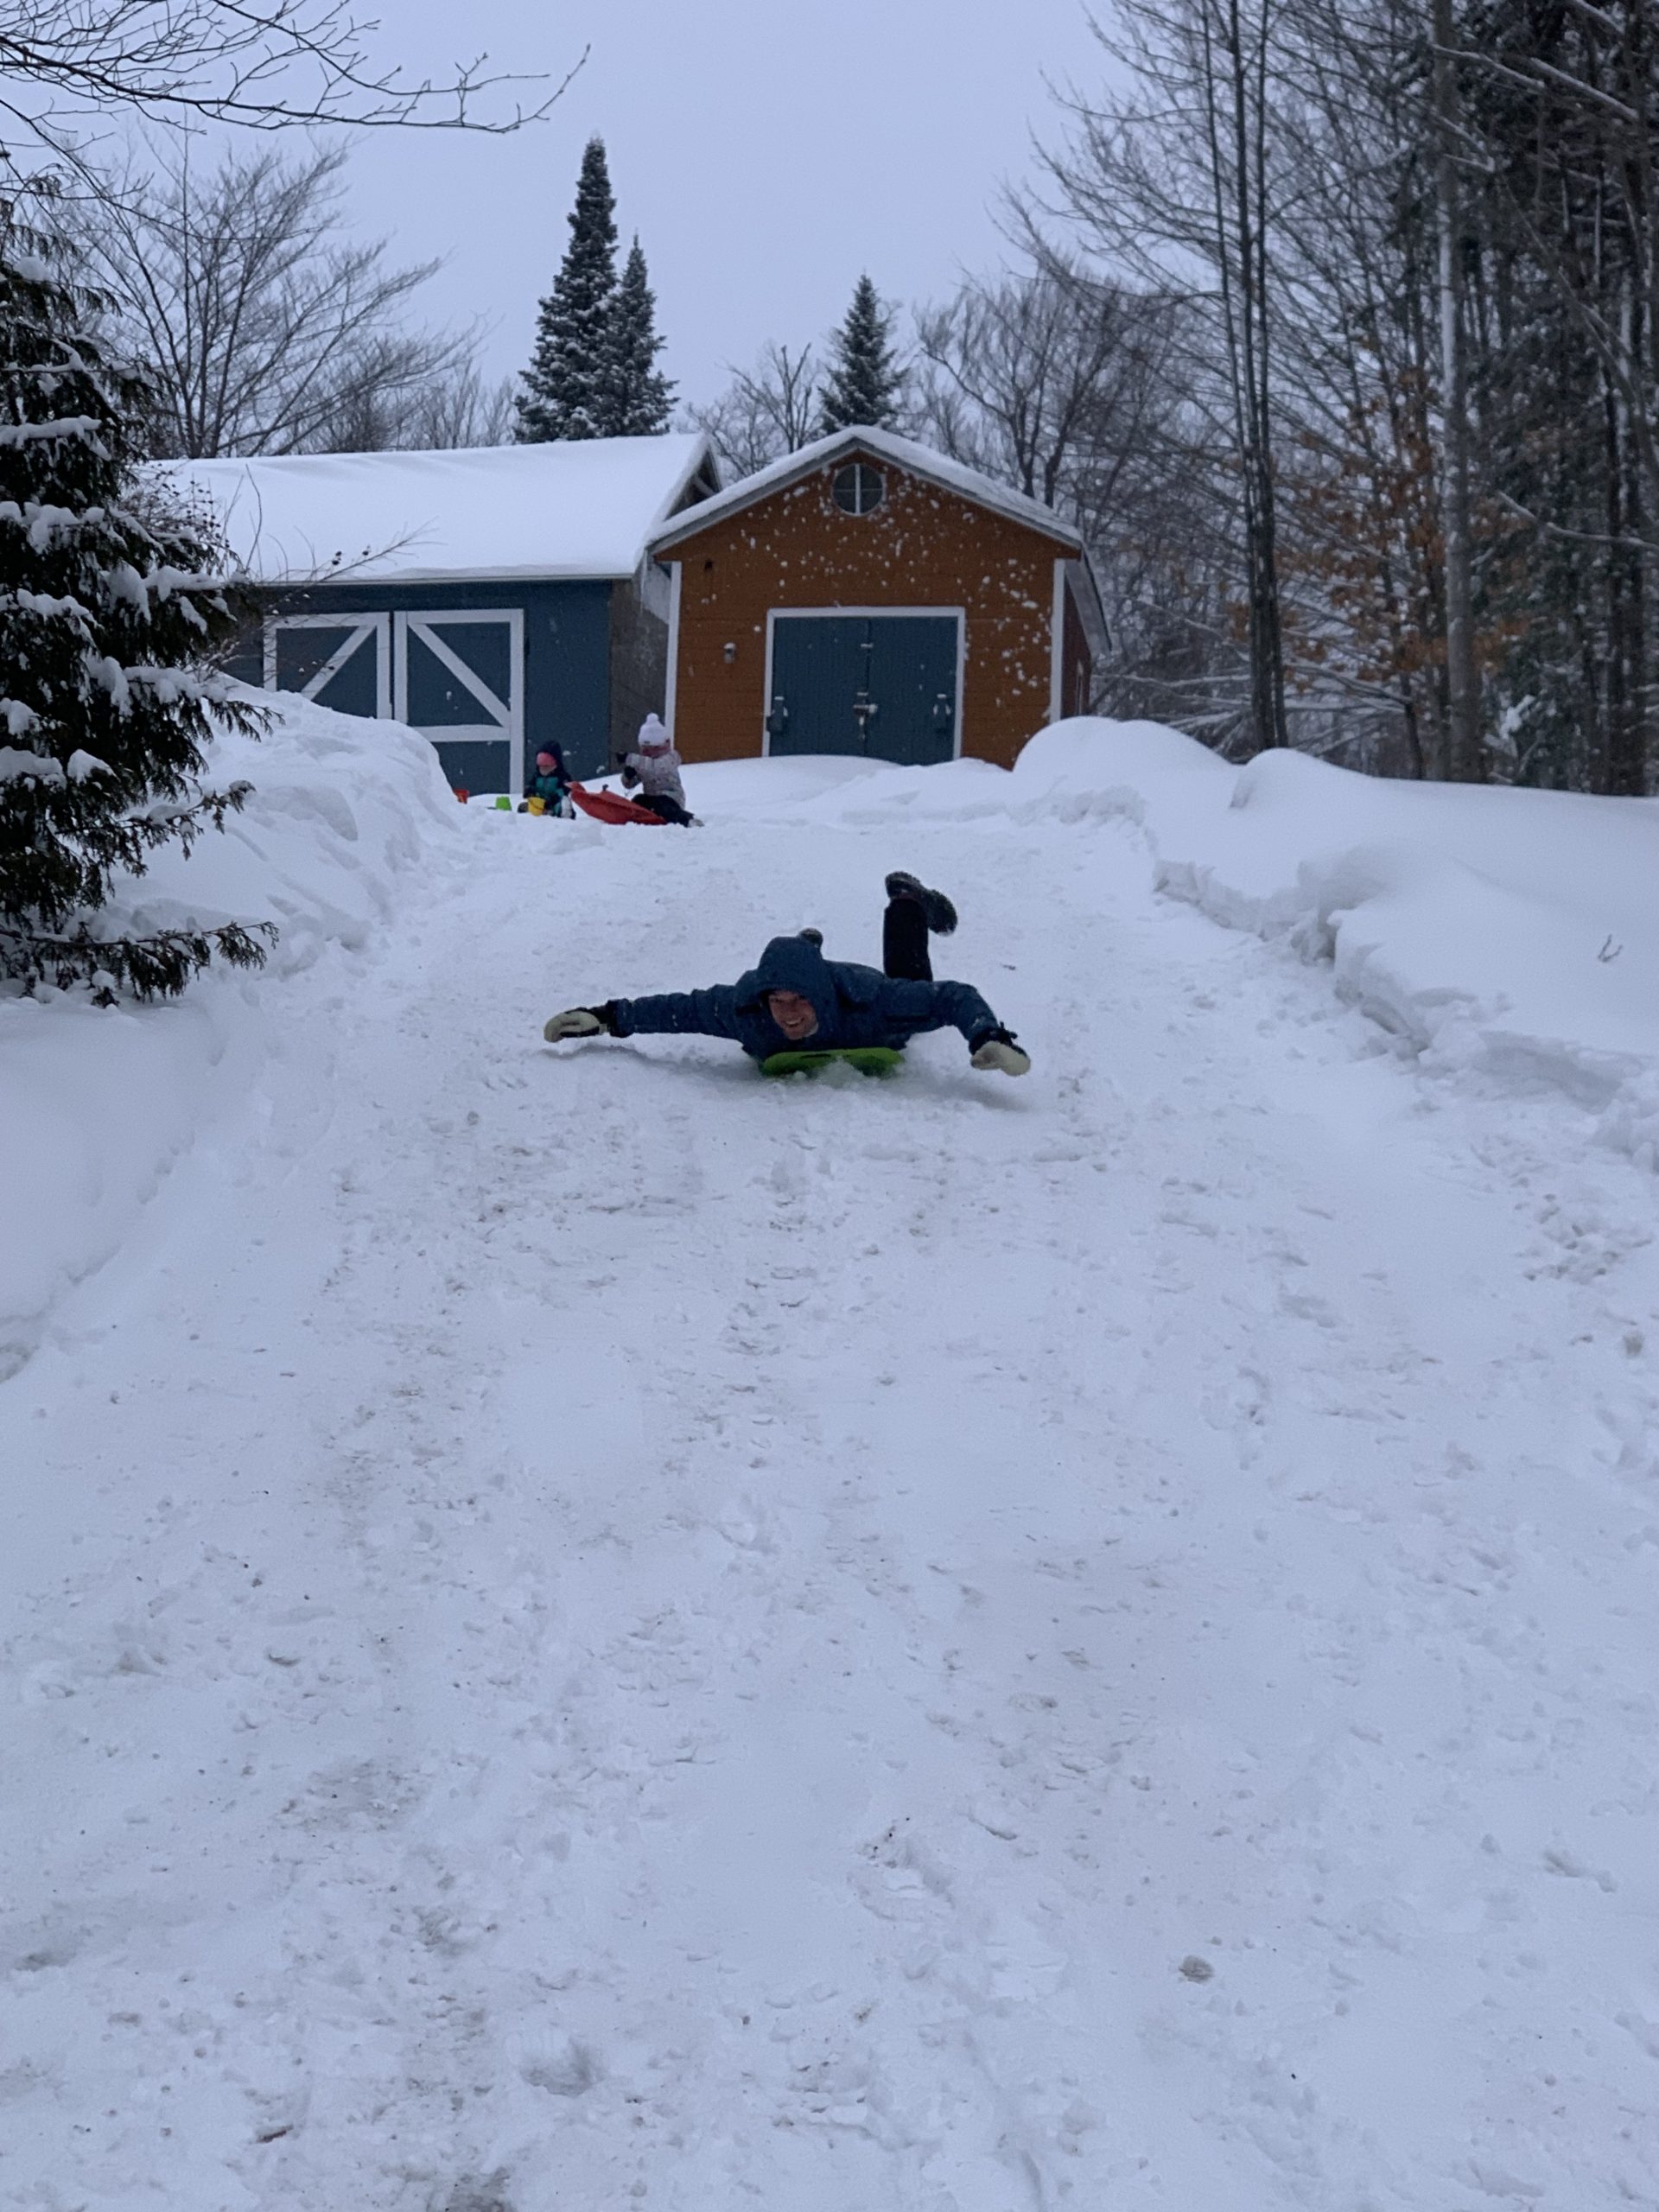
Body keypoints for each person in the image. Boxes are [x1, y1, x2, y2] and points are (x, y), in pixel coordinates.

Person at [542, 871, 1032, 1075]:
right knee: (790, 967)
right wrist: (604, 1017)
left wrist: (986, 1035)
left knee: (915, 983)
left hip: (858, 988)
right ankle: (806, 946)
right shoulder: (748, 1011)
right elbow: (679, 1010)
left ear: (819, 999)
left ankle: (907, 899)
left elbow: (953, 997)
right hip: (815, 977)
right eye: (779, 1002)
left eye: (799, 1001)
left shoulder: (872, 1003)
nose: (789, 1015)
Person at [620, 713, 695, 825]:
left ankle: (686, 820)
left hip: (672, 799)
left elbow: (656, 767)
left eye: (649, 749)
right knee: (638, 800)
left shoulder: (671, 757)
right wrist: (628, 776)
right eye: (644, 749)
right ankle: (634, 819)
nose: (646, 752)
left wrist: (630, 758)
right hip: (652, 799)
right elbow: (629, 785)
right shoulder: (644, 763)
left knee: (662, 804)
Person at [520, 746, 572, 816]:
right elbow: (531, 786)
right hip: (539, 804)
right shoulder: (536, 777)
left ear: (555, 765)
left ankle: (563, 813)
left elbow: (564, 790)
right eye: (541, 767)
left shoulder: (561, 777)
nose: (543, 769)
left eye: (546, 767)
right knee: (523, 807)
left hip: (554, 804)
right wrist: (530, 791)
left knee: (561, 805)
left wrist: (555, 798)